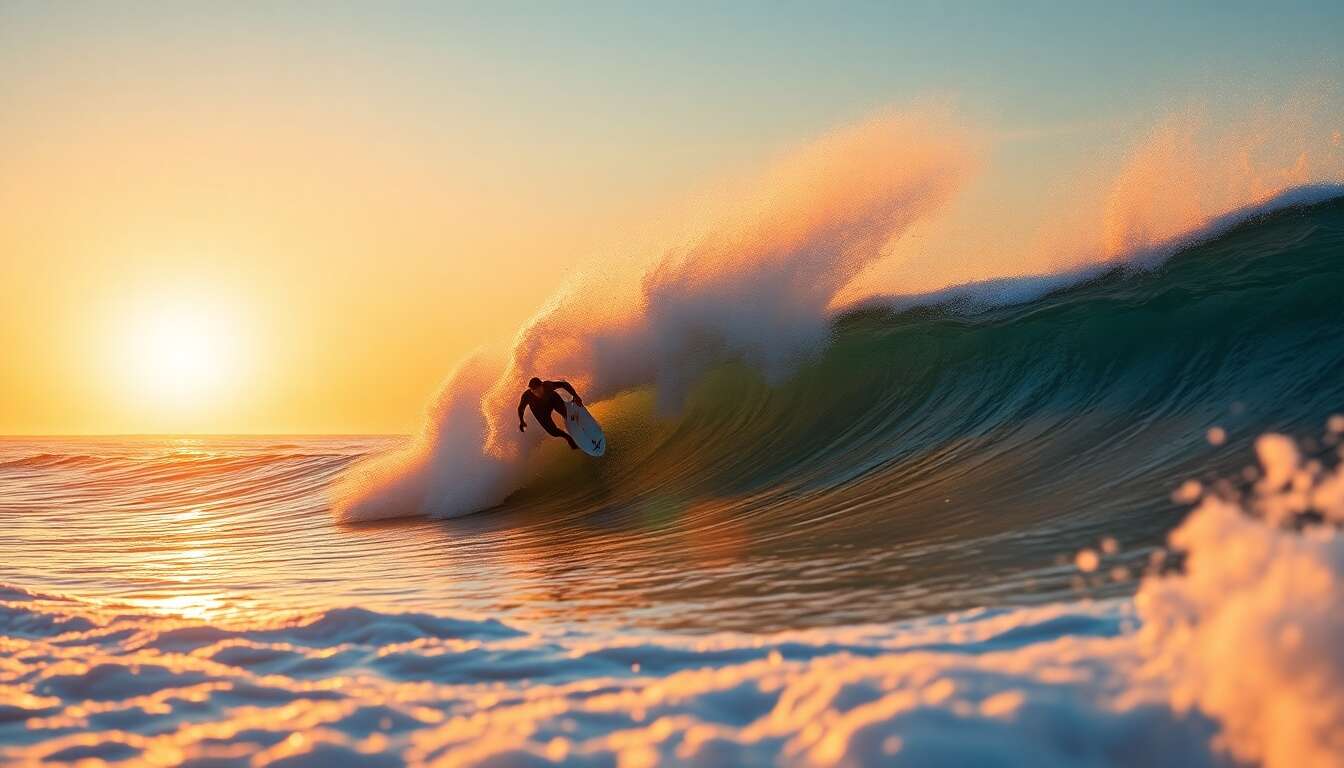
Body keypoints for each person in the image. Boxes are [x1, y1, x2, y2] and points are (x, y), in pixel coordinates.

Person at [517, 377, 583, 450]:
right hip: (540, 411)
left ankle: (577, 423)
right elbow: (521, 408)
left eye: (539, 390)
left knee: (567, 414)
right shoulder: (527, 396)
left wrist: (576, 396)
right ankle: (567, 437)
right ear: (531, 390)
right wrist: (522, 421)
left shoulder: (548, 385)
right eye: (534, 392)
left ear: (542, 385)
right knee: (553, 432)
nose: (537, 393)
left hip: (552, 400)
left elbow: (564, 384)